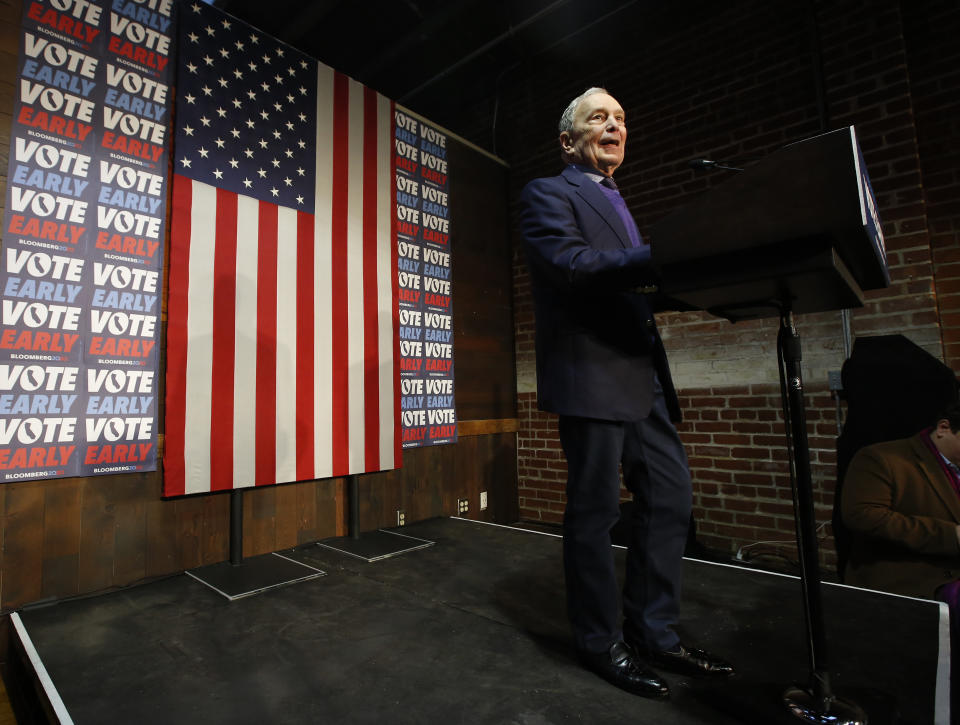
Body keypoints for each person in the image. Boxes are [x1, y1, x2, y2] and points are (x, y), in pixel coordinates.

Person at [519, 87, 734, 699]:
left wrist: (697, 280)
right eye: (599, 118)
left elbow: (635, 281)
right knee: (596, 514)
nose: (614, 126)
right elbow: (568, 263)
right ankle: (598, 643)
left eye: (620, 119)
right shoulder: (549, 192)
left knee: (670, 500)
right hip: (590, 374)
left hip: (643, 376)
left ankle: (655, 634)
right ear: (568, 140)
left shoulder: (617, 197)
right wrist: (661, 258)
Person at [841, 403, 960, 720]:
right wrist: (952, 536)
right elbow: (863, 516)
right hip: (912, 573)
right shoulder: (882, 458)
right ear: (944, 428)